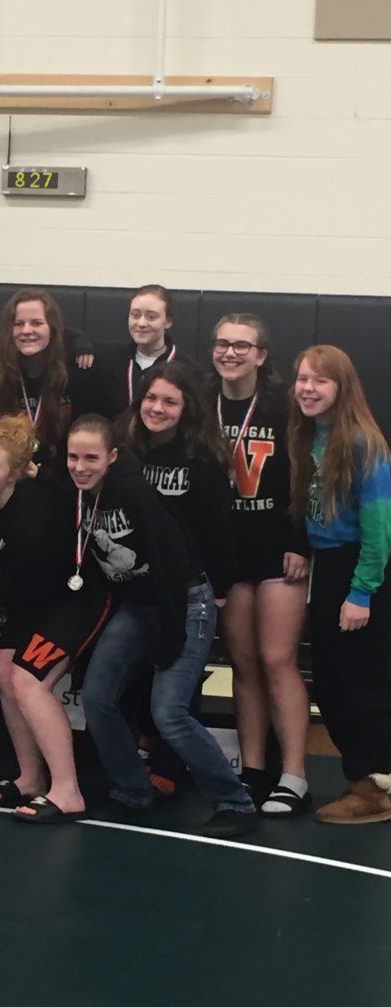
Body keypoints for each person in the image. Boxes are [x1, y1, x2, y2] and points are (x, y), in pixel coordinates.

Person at [68, 415, 257, 836]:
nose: (81, 466)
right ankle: (131, 790)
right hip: (137, 608)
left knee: (168, 712)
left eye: (92, 458)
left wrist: (173, 633)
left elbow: (171, 561)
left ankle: (235, 802)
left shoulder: (133, 491)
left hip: (185, 601)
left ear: (112, 457)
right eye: (73, 457)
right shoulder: (79, 494)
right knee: (97, 698)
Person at [0, 415, 111, 823]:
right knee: (4, 670)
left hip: (73, 602)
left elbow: (20, 585)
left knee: (29, 681)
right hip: (32, 602)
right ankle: (30, 778)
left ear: (14, 473)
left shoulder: (35, 515)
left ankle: (67, 791)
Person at [211, 313, 311, 816]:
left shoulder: (282, 406)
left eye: (242, 346)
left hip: (278, 549)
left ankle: (294, 773)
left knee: (277, 660)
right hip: (229, 554)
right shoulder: (201, 405)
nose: (231, 353)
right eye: (223, 344)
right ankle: (252, 770)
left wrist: (301, 541)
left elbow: (306, 474)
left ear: (262, 355)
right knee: (243, 664)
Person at [290, 345, 391, 823]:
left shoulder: (361, 443)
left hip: (357, 569)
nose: (307, 389)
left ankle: (376, 786)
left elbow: (379, 527)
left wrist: (361, 591)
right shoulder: (311, 435)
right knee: (329, 681)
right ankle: (364, 776)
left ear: (341, 388)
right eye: (302, 379)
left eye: (320, 381)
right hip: (326, 565)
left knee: (359, 682)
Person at [0, 288, 107, 470]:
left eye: (36, 323)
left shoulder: (77, 370)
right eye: (18, 323)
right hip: (9, 469)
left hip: (65, 470)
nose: (26, 330)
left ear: (52, 328)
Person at [99, 284, 202, 418]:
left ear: (168, 321)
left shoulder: (190, 370)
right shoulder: (108, 361)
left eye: (151, 317)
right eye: (135, 315)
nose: (141, 323)